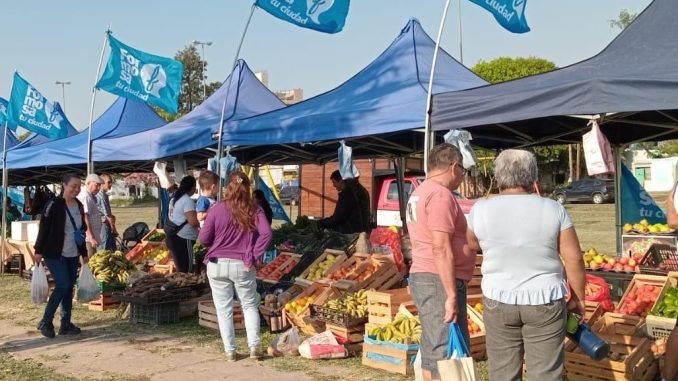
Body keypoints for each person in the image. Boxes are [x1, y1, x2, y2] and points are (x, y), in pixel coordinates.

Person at [466, 149, 586, 381]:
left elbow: (471, 243)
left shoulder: (480, 208)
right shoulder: (553, 208)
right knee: (546, 374)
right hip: (544, 299)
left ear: (498, 177)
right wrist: (578, 298)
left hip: (498, 298)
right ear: (533, 177)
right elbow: (574, 259)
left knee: (502, 372)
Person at [405, 143, 475, 381]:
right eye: (463, 171)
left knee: (433, 343)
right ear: (454, 167)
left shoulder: (420, 191)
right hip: (438, 278)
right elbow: (441, 247)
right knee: (443, 348)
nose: (462, 176)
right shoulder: (440, 194)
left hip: (426, 274)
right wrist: (451, 294)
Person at [198, 171, 272, 361]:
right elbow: (266, 233)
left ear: (227, 187)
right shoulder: (254, 209)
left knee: (224, 310)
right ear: (248, 187)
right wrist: (255, 255)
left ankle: (230, 351)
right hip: (243, 264)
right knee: (249, 306)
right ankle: (255, 347)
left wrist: (217, 241)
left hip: (217, 264)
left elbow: (203, 238)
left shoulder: (216, 209)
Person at [34, 174, 88, 338]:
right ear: (64, 185)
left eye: (79, 186)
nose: (76, 189)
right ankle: (46, 320)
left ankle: (65, 324)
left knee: (69, 287)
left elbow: (81, 231)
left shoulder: (78, 205)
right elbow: (44, 228)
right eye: (73, 186)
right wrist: (38, 250)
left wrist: (84, 253)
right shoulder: (53, 204)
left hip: (72, 253)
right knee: (63, 284)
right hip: (54, 253)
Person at [165, 176, 200, 273]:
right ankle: (185, 287)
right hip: (183, 239)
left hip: (173, 236)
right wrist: (201, 224)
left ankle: (180, 286)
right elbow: (193, 221)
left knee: (180, 269)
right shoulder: (187, 201)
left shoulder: (174, 198)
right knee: (186, 271)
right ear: (192, 188)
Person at [78, 174, 104, 256]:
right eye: (97, 185)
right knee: (90, 260)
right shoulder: (86, 196)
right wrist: (91, 237)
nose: (99, 188)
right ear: (89, 183)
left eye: (100, 185)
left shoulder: (90, 195)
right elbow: (85, 217)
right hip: (88, 238)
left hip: (92, 236)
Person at [97, 173, 118, 251]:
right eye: (108, 182)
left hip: (107, 224)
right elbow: (107, 215)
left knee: (111, 249)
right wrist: (113, 227)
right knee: (104, 249)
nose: (110, 184)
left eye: (111, 182)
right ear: (102, 182)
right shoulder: (101, 194)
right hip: (103, 225)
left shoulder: (104, 194)